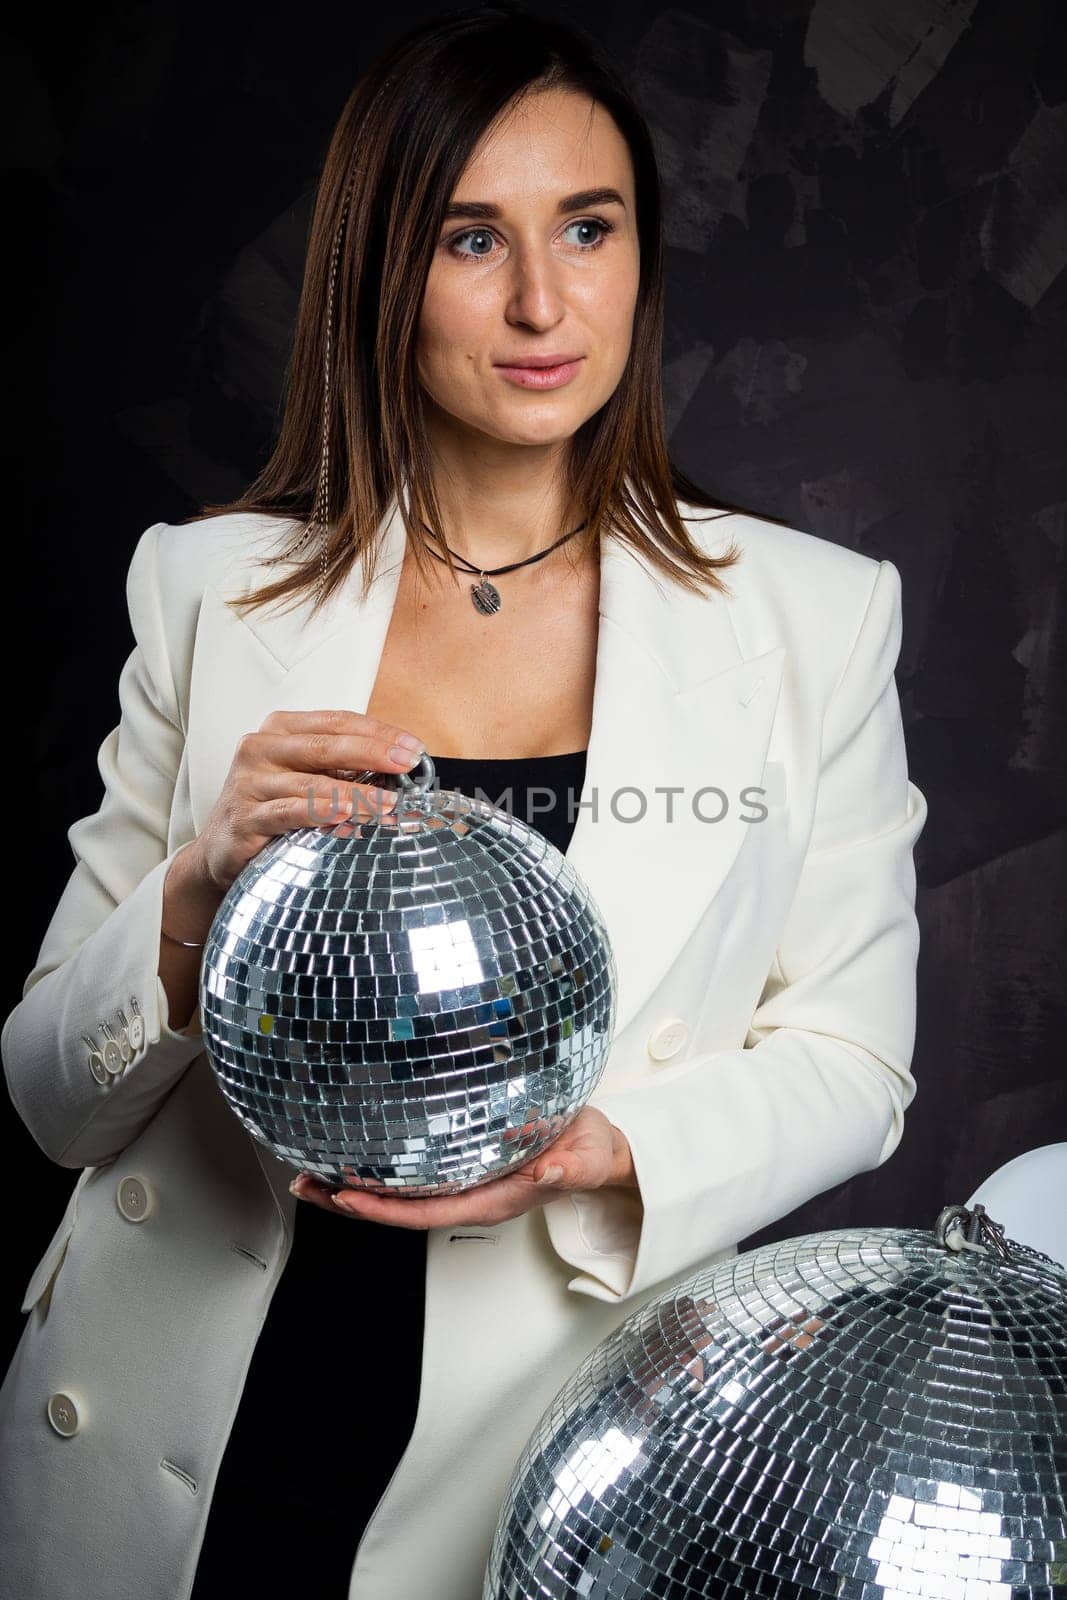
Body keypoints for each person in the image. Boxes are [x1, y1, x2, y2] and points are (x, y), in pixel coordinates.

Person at [0, 6, 927, 1599]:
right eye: (468, 241)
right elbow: (48, 1097)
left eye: (589, 227)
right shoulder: (210, 589)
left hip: (540, 1427)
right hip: (173, 1409)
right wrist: (194, 890)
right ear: (378, 274)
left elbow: (856, 1060)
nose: (544, 301)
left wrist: (597, 1148)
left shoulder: (814, 617)